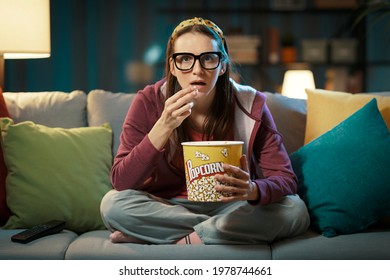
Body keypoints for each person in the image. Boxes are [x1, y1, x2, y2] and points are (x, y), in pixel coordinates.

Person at [100, 17, 310, 245]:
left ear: (222, 66)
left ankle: (173, 237)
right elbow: (121, 181)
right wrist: (163, 126)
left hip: (233, 206)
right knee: (112, 205)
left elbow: (285, 179)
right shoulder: (148, 101)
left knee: (295, 210)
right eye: (185, 59)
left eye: (208, 58)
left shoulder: (251, 104)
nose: (197, 70)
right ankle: (214, 233)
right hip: (168, 205)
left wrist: (252, 190)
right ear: (172, 66)